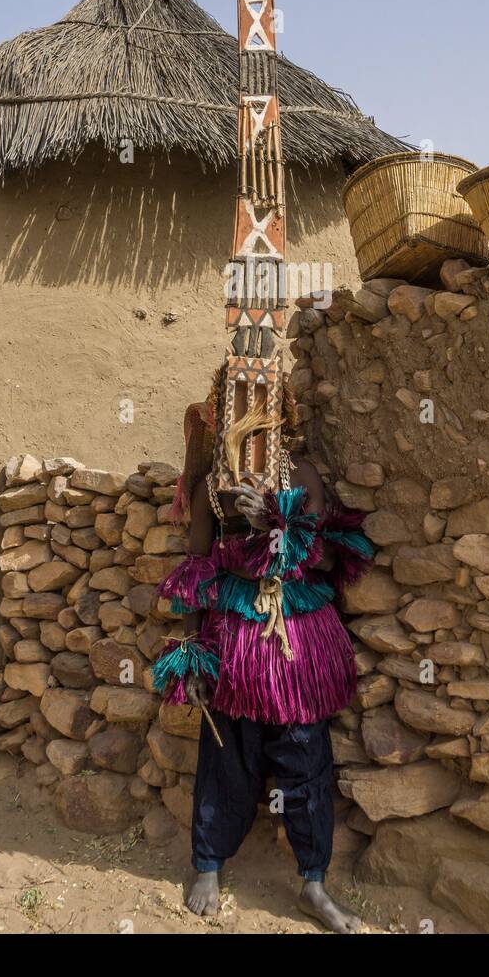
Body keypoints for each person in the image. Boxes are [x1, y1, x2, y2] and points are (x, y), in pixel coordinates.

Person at [151, 381, 375, 933]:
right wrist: (192, 652)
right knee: (227, 755)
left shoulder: (301, 477)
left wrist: (274, 524)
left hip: (296, 642)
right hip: (235, 640)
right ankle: (208, 863)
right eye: (240, 404)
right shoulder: (210, 489)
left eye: (262, 405)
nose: (251, 419)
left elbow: (321, 558)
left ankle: (313, 883)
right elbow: (197, 570)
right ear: (223, 413)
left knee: (306, 758)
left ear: (281, 414)